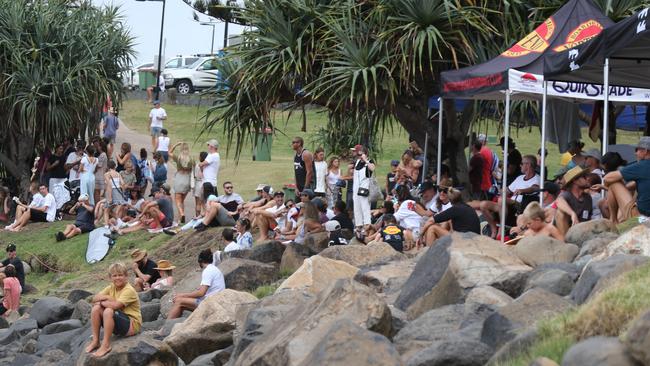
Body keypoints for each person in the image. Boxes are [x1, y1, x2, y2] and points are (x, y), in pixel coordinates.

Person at [85, 262, 141, 357]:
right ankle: (96, 341)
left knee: (108, 310)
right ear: (110, 278)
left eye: (120, 275)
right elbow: (94, 298)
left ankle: (106, 345)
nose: (117, 278)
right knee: (96, 308)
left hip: (132, 325)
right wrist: (107, 298)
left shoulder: (129, 290)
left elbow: (115, 306)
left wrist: (104, 301)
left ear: (126, 276)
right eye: (114, 276)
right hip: (119, 322)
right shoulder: (111, 287)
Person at [480, 155, 540, 238]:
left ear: (528, 165)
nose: (520, 166)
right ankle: (493, 229)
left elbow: (535, 188)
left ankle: (501, 229)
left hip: (521, 205)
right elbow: (507, 191)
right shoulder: (520, 178)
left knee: (501, 200)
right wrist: (496, 189)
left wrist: (523, 190)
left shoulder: (537, 179)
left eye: (521, 164)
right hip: (507, 203)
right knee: (483, 205)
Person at [167, 249, 225, 319]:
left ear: (200, 261)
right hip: (215, 300)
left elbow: (201, 293)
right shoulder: (213, 269)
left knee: (179, 301)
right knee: (182, 303)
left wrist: (182, 295)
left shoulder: (208, 271)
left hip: (211, 303)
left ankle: (165, 328)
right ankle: (173, 324)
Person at [604, 136, 650, 223]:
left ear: (645, 151)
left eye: (637, 150)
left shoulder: (641, 166)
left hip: (643, 219)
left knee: (614, 184)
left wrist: (606, 186)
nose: (635, 153)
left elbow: (607, 178)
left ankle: (613, 221)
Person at [556, 166, 593, 234]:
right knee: (560, 213)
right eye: (584, 176)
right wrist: (572, 214)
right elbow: (559, 201)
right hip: (567, 234)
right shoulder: (567, 195)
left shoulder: (588, 198)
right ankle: (565, 242)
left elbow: (588, 219)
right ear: (575, 181)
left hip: (581, 233)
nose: (588, 178)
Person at [351, 144, 375, 238]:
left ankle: (367, 226)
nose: (354, 153)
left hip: (364, 188)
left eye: (355, 151)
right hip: (356, 189)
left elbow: (372, 168)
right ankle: (358, 226)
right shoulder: (357, 162)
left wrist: (365, 160)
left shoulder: (369, 161)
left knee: (365, 208)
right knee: (357, 208)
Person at [169, 142, 194, 224]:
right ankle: (180, 218)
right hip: (187, 179)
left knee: (177, 200)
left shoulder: (178, 158)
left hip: (179, 178)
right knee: (182, 200)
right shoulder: (191, 159)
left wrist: (176, 144)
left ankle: (182, 214)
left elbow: (169, 153)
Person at [93, 139, 108, 204]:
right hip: (100, 175)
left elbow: (98, 165)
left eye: (99, 146)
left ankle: (97, 205)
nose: (97, 147)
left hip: (99, 175)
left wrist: (93, 170)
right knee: (96, 192)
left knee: (96, 192)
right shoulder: (103, 154)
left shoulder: (102, 155)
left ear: (101, 147)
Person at [193, 152, 208, 217]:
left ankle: (197, 216)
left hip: (198, 183)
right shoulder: (207, 166)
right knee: (204, 202)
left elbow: (194, 175)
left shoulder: (197, 165)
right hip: (204, 183)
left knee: (197, 203)